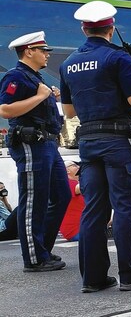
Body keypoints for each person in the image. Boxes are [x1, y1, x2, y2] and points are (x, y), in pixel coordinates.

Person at [59, 0, 131, 292]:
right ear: (111, 27)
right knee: (125, 207)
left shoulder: (68, 63)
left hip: (89, 144)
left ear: (84, 28)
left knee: (94, 209)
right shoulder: (118, 58)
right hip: (119, 143)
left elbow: (69, 112)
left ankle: (93, 278)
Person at [0, 31, 70, 272]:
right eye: (43, 50)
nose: (47, 54)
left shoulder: (34, 78)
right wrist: (41, 96)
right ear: (29, 51)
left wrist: (48, 96)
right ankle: (34, 258)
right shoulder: (16, 76)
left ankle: (42, 250)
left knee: (61, 195)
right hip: (32, 144)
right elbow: (6, 110)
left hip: (48, 143)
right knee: (33, 201)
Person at [59, 161, 85, 241]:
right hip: (76, 231)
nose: (78, 167)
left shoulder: (72, 183)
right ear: (67, 171)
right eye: (74, 165)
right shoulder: (68, 183)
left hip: (80, 227)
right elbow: (80, 188)